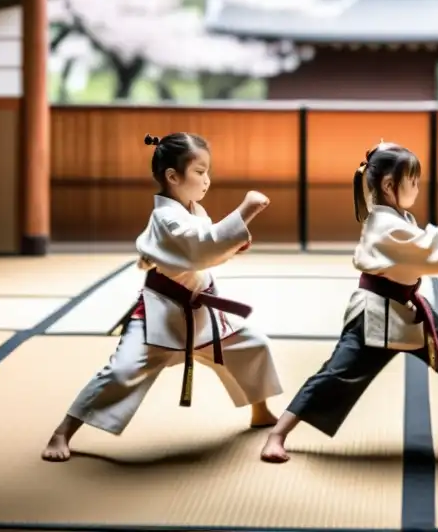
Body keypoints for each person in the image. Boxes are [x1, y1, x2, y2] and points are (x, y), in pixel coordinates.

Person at [42, 132, 283, 462]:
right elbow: (202, 249)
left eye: (207, 172)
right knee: (120, 372)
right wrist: (246, 210)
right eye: (200, 172)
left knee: (251, 345)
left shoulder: (192, 210)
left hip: (201, 312)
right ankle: (63, 431)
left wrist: (230, 248)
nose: (207, 180)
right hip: (162, 315)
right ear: (173, 176)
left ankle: (260, 410)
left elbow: (205, 248)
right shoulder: (165, 217)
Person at [260, 141, 438, 463]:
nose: (416, 187)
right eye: (412, 180)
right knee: (336, 375)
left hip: (406, 309)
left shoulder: (398, 217)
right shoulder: (384, 226)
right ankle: (278, 434)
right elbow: (425, 247)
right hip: (375, 316)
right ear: (388, 185)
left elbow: (422, 244)